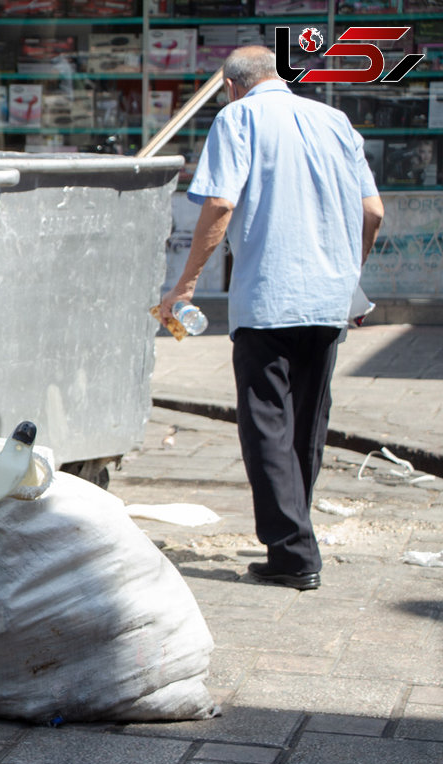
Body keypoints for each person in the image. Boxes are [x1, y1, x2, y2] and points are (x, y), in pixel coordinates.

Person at [159, 46, 384, 591]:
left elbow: (219, 205)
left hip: (268, 297)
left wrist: (184, 283)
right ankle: (295, 536)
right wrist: (345, 274)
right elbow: (372, 211)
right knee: (306, 424)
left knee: (266, 425)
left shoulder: (237, 117)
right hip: (329, 299)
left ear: (232, 86)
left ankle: (292, 554)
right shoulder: (334, 119)